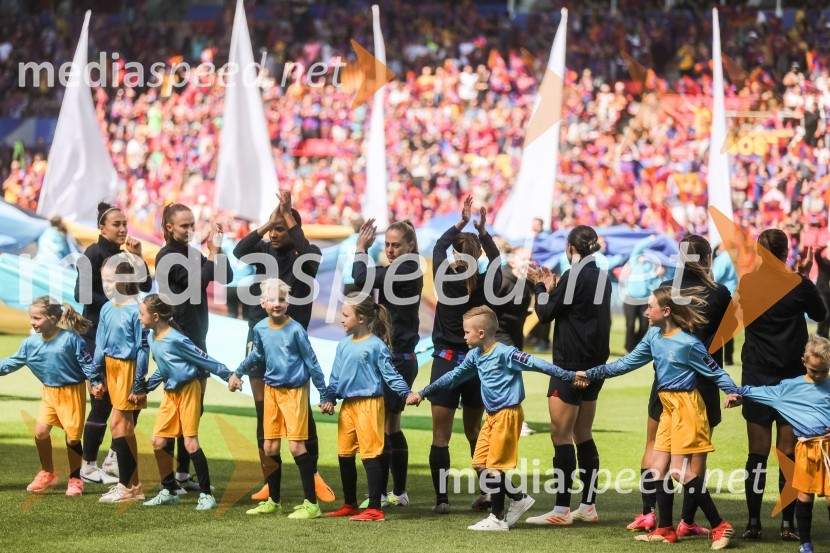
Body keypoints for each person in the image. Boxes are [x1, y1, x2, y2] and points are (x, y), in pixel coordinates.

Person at [578, 286, 737, 549]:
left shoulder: (688, 343)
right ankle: (665, 529)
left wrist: (732, 392)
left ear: (666, 311)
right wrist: (592, 373)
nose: (645, 311)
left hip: (687, 408)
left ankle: (720, 525)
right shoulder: (653, 335)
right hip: (667, 408)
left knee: (678, 471)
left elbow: (716, 371)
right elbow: (626, 363)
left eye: (650, 307)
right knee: (657, 469)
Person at [410, 306, 578, 531]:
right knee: (480, 463)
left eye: (466, 332)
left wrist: (569, 376)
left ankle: (497, 519)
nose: (463, 336)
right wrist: (423, 393)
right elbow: (453, 376)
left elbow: (538, 364)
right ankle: (518, 497)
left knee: (494, 468)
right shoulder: (475, 355)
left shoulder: (506, 353)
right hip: (491, 417)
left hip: (507, 415)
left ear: (481, 333)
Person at [233, 190, 332, 503]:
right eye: (271, 229)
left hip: (291, 344)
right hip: (260, 337)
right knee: (263, 412)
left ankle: (313, 476)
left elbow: (307, 253)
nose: (273, 234)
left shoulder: (307, 255)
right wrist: (268, 223)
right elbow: (239, 250)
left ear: (293, 228)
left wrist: (287, 214)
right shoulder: (263, 250)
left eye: (280, 229)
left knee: (301, 414)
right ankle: (269, 481)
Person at [628, 235, 731, 536]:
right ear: (708, 259)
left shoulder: (667, 290)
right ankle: (687, 520)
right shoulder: (720, 293)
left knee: (653, 446)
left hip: (665, 380)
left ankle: (650, 514)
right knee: (696, 456)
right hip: (704, 382)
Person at [740, 229, 826, 541]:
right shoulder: (799, 284)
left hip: (757, 375)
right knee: (788, 453)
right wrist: (802, 277)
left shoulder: (748, 283)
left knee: (757, 453)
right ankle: (787, 525)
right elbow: (820, 313)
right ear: (786, 252)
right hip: (792, 379)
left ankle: (753, 523)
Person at [525, 225, 611, 525]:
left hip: (570, 364)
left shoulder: (574, 275)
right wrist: (554, 288)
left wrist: (540, 287)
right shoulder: (601, 276)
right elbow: (576, 310)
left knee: (560, 435)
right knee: (583, 434)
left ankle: (561, 510)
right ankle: (588, 506)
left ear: (570, 248)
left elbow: (545, 314)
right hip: (595, 366)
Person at [132, 294, 242, 510]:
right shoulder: (152, 338)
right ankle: (168, 490)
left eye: (141, 314)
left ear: (155, 316)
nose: (138, 317)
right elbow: (164, 369)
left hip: (189, 391)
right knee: (158, 442)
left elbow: (204, 359)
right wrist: (146, 388)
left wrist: (229, 375)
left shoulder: (177, 339)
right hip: (170, 393)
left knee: (190, 442)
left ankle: (206, 495)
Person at [428, 196, 502, 514]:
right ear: (479, 255)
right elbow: (496, 259)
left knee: (440, 437)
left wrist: (461, 222)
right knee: (475, 432)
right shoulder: (486, 283)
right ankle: (487, 493)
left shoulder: (445, 279)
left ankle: (442, 500)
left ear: (455, 254)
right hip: (476, 365)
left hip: (446, 362)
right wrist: (483, 232)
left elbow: (437, 247)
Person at [233, 279, 328, 519]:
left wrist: (324, 393)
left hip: (294, 392)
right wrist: (237, 373)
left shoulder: (296, 330)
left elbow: (312, 363)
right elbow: (256, 355)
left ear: (287, 303)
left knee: (296, 446)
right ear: (263, 303)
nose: (278, 304)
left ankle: (312, 505)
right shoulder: (260, 329)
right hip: (271, 392)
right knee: (270, 446)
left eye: (282, 300)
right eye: (273, 300)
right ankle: (274, 501)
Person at [155, 203, 233, 493]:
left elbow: (226, 277)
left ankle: (181, 474)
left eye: (192, 224)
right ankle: (168, 482)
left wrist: (218, 250)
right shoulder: (166, 257)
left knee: (193, 412)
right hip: (178, 342)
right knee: (176, 413)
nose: (190, 230)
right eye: (184, 226)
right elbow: (195, 284)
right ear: (169, 227)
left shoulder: (193, 253)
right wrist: (210, 254)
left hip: (197, 338)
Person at [726, 336, 830, 553]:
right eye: (814, 370)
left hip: (828, 450)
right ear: (804, 362)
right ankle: (805, 544)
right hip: (806, 450)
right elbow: (764, 392)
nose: (818, 375)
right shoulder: (790, 388)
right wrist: (740, 395)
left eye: (824, 371)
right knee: (804, 496)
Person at [75, 202, 152, 486]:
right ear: (102, 227)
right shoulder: (92, 254)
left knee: (132, 401)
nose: (122, 229)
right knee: (102, 402)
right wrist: (117, 303)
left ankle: (113, 457)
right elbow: (81, 294)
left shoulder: (124, 255)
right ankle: (87, 465)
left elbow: (146, 286)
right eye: (116, 224)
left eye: (124, 224)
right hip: (97, 337)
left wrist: (138, 257)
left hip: (124, 342)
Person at [320, 293, 414, 522]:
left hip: (370, 406)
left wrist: (407, 393)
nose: (341, 319)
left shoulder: (376, 346)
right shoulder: (343, 345)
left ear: (361, 319)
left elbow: (391, 376)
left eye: (345, 315)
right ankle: (350, 505)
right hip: (348, 407)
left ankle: (374, 508)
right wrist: (329, 398)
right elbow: (335, 378)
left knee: (370, 455)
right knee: (344, 454)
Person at [352, 218, 423, 507]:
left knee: (382, 426)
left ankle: (381, 494)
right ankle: (397, 492)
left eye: (396, 245)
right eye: (387, 245)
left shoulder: (408, 268)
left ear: (411, 246)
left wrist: (361, 248)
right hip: (397, 357)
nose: (391, 250)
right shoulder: (404, 267)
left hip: (397, 359)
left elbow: (362, 278)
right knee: (390, 426)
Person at [0, 297, 102, 496]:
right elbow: (9, 363)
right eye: (31, 317)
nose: (32, 322)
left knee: (72, 439)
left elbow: (87, 363)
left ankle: (75, 478)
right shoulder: (30, 344)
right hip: (49, 393)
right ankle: (47, 472)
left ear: (52, 319)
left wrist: (96, 382)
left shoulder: (71, 339)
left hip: (71, 393)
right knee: (40, 433)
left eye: (37, 318)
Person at [95, 257, 149, 503]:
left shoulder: (137, 310)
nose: (106, 285)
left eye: (110, 280)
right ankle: (133, 486)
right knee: (123, 427)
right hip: (111, 368)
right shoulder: (107, 308)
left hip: (128, 369)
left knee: (119, 424)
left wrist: (138, 383)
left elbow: (143, 349)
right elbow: (100, 344)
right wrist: (95, 376)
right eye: (104, 280)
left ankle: (126, 486)